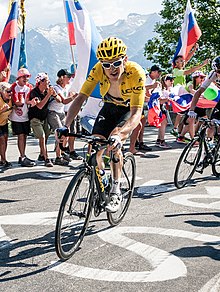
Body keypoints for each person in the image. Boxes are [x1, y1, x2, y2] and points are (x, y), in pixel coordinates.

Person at [58, 37, 146, 212]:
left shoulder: (136, 73)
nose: (111, 69)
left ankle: (115, 190)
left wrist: (120, 135)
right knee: (96, 143)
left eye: (116, 63)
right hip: (109, 106)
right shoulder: (98, 69)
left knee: (114, 142)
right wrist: (65, 125)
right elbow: (80, 97)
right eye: (106, 64)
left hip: (129, 109)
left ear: (125, 60)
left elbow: (136, 113)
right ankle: (101, 177)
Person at [171, 47, 209, 137]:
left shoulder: (180, 67)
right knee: (181, 113)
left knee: (186, 115)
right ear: (176, 63)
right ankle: (175, 128)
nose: (183, 62)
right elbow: (189, 71)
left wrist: (194, 50)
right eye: (180, 61)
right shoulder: (176, 71)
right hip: (179, 93)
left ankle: (180, 133)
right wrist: (202, 65)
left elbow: (187, 59)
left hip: (184, 93)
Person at [47, 69, 76, 166]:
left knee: (65, 133)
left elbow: (74, 83)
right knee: (61, 134)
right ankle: (58, 157)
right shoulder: (56, 88)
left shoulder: (66, 87)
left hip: (61, 113)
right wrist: (73, 97)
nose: (70, 78)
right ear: (62, 77)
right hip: (53, 113)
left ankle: (62, 153)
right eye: (68, 76)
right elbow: (63, 101)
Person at [28, 73, 57, 167]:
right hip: (35, 118)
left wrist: (55, 94)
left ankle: (41, 154)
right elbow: (40, 106)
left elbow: (60, 100)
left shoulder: (46, 91)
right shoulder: (34, 92)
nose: (49, 82)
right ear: (41, 82)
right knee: (42, 136)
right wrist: (48, 95)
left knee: (47, 134)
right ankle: (46, 158)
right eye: (47, 80)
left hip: (44, 118)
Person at [188, 56, 220, 140]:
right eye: (218, 71)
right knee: (212, 123)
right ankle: (210, 147)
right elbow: (198, 92)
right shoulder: (213, 74)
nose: (219, 73)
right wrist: (191, 110)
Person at [9, 68, 36, 167]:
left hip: (26, 115)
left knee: (24, 136)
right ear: (19, 77)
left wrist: (32, 102)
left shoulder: (29, 86)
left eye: (27, 77)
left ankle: (22, 156)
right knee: (20, 136)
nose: (26, 79)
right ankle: (23, 156)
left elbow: (29, 100)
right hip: (16, 116)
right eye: (24, 77)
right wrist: (24, 102)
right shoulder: (14, 87)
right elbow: (17, 102)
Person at [176, 71, 207, 143]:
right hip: (189, 105)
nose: (203, 79)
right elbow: (192, 91)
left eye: (204, 77)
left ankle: (181, 137)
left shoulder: (200, 85)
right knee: (191, 121)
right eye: (201, 77)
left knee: (201, 120)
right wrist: (202, 95)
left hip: (197, 105)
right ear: (195, 78)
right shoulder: (191, 83)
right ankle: (193, 139)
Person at [154, 74, 175, 148]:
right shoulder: (161, 89)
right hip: (158, 107)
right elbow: (158, 100)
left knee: (163, 124)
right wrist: (167, 99)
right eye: (171, 80)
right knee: (163, 123)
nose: (172, 81)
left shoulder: (167, 89)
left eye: (173, 80)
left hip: (162, 107)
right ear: (165, 81)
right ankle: (162, 141)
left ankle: (159, 140)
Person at [0, 82, 13, 168]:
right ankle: (3, 160)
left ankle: (3, 159)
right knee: (2, 140)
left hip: (4, 123)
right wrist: (2, 110)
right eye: (8, 91)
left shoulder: (11, 100)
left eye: (10, 91)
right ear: (2, 91)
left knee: (5, 140)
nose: (10, 93)